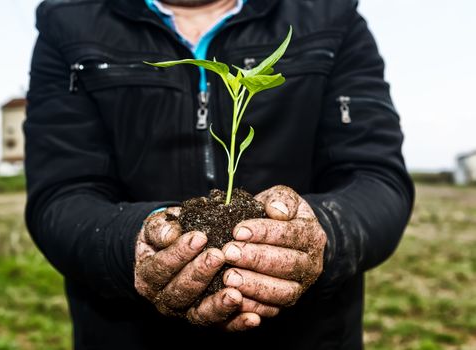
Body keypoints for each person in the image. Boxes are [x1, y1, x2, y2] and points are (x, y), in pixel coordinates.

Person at [24, 0, 414, 348]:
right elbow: (61, 195)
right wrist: (129, 243)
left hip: (311, 334)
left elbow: (376, 178)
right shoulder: (68, 20)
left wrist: (323, 232)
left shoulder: (331, 14)